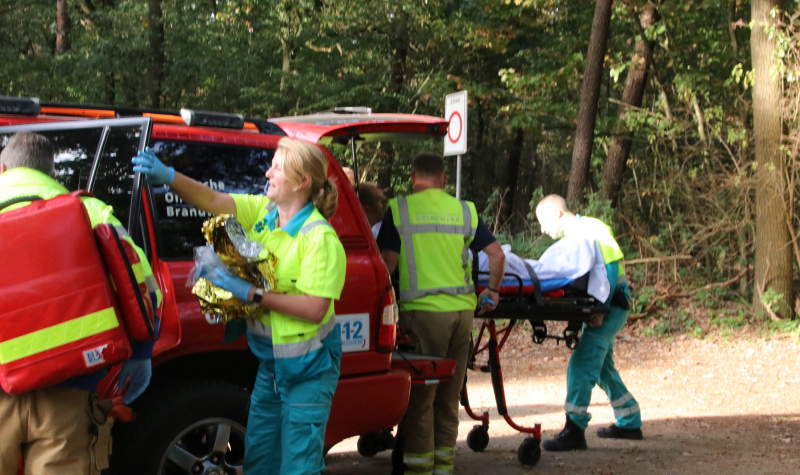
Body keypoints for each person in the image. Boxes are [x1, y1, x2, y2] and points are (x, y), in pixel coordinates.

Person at [132, 137, 346, 475]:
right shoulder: (265, 212)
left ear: (302, 181)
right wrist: (169, 176)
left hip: (309, 369)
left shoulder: (319, 239)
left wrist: (249, 293)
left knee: (299, 466)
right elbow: (213, 199)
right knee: (260, 460)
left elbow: (314, 309)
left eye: (277, 167)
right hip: (272, 365)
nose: (267, 172)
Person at [0, 132, 162, 475]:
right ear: (52, 172)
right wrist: (141, 352)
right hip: (72, 389)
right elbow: (145, 289)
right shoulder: (89, 210)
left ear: (3, 168)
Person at [377, 152, 506, 475]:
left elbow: (387, 266)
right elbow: (496, 255)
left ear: (412, 177)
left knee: (421, 400)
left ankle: (420, 471)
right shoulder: (465, 211)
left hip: (422, 316)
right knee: (449, 397)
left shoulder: (399, 209)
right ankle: (444, 468)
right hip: (461, 315)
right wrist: (492, 291)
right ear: (445, 180)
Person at [534, 194, 642, 451]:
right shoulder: (578, 234)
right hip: (607, 303)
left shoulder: (591, 229)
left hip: (611, 304)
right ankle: (629, 419)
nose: (542, 229)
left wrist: (600, 308)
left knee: (582, 364)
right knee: (602, 367)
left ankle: (575, 429)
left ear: (558, 214)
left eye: (543, 221)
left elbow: (610, 268)